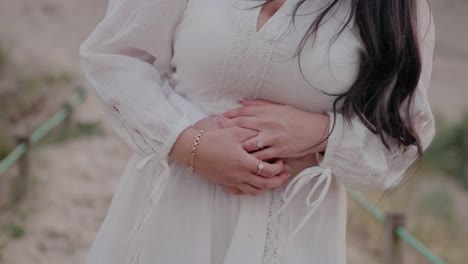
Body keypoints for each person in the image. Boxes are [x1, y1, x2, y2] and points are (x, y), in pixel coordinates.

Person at [79, 0, 435, 263]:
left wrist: (324, 132)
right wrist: (189, 142)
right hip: (169, 215)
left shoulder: (398, 9)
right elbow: (116, 57)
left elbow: (399, 142)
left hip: (289, 236)